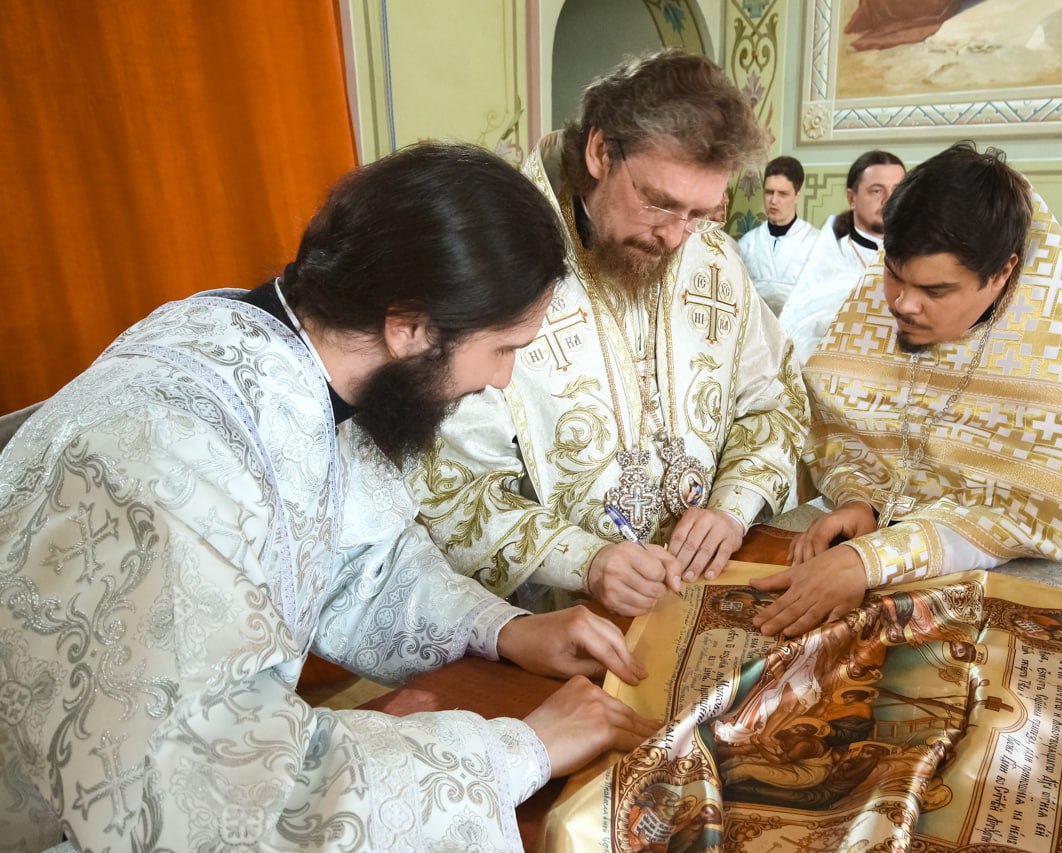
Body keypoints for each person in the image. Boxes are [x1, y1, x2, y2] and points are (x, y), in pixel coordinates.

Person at [0, 142, 658, 851]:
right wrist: (520, 750)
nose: (502, 380)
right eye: (504, 349)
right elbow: (214, 789)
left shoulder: (273, 351)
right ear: (409, 327)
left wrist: (502, 628)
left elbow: (358, 560)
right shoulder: (179, 459)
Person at [750, 142, 1062, 638]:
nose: (902, 304)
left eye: (936, 291)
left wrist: (875, 561)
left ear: (1002, 273)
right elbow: (844, 433)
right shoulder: (877, 307)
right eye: (893, 275)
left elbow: (1029, 516)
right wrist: (860, 500)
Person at [414, 50, 809, 618]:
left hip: (704, 588)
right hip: (558, 617)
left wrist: (732, 506)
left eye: (700, 212)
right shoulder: (495, 262)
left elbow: (774, 404)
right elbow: (451, 486)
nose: (676, 237)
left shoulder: (713, 258)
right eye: (660, 203)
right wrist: (585, 560)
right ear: (600, 152)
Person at [779, 150, 905, 363]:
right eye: (877, 191)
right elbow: (797, 334)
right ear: (852, 198)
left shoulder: (923, 257)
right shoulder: (828, 258)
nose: (889, 200)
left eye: (897, 190)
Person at [737, 156, 820, 314]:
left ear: (797, 195)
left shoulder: (817, 243)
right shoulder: (747, 243)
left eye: (782, 194)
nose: (774, 201)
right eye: (769, 192)